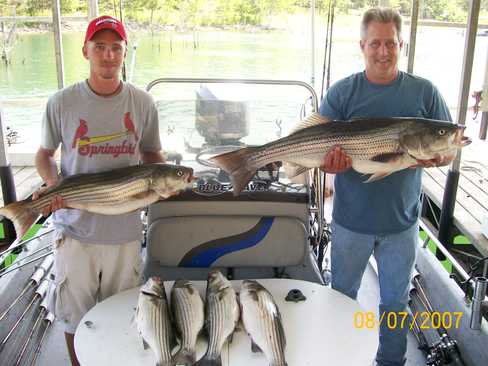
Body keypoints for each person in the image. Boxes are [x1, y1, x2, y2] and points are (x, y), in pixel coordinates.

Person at [319, 7, 453, 366]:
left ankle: (391, 362)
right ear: (362, 45)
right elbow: (316, 146)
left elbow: (448, 147)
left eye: (390, 43)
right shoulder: (343, 93)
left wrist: (441, 156)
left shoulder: (425, 93)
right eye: (375, 43)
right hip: (351, 221)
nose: (383, 51)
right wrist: (327, 163)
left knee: (395, 303)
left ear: (401, 45)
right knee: (342, 297)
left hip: (402, 223)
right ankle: (339, 358)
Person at [34, 15, 164, 365]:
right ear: (85, 51)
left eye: (116, 48)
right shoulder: (61, 101)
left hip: (123, 233)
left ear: (124, 52)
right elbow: (44, 155)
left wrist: (167, 179)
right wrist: (52, 186)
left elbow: (152, 154)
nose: (108, 56)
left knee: (120, 316)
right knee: (73, 318)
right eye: (100, 47)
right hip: (74, 229)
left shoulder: (142, 102)